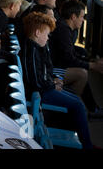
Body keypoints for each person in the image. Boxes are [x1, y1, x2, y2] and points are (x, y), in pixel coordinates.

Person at [20, 12, 94, 149]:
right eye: (46, 34)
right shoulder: (31, 51)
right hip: (40, 93)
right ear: (37, 33)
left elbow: (45, 71)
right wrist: (52, 85)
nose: (48, 38)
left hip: (46, 87)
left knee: (75, 98)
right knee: (78, 105)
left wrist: (54, 80)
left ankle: (77, 137)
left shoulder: (38, 47)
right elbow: (36, 80)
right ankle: (87, 145)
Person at [49, 0, 103, 97]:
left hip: (57, 64)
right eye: (82, 17)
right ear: (73, 17)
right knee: (82, 74)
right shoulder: (63, 30)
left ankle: (87, 105)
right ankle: (68, 103)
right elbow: (69, 59)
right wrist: (92, 65)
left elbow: (71, 54)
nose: (83, 20)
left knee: (84, 67)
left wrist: (91, 61)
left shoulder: (66, 28)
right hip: (52, 68)